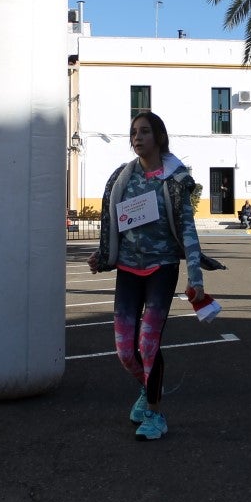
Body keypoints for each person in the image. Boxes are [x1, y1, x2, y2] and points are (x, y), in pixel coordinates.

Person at [87, 112, 207, 442]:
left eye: (144, 132)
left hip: (161, 269)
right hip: (127, 270)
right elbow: (114, 226)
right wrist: (103, 256)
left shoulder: (174, 179)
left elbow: (187, 228)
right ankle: (147, 387)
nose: (137, 138)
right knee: (126, 350)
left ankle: (156, 413)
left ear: (158, 137)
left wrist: (195, 277)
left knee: (148, 344)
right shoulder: (122, 178)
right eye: (133, 133)